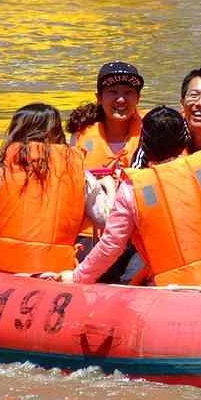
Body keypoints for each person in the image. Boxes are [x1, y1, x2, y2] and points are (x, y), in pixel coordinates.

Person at [60, 106, 201, 289]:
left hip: (170, 290)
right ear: (185, 141)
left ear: (143, 145)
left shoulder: (132, 188)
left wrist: (77, 277)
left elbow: (112, 245)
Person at [0, 103, 110, 273]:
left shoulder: (2, 171)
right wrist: (111, 189)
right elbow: (104, 219)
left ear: (16, 133)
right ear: (57, 132)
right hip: (55, 271)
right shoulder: (83, 175)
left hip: (3, 269)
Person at [67, 61, 147, 280]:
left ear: (138, 98)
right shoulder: (80, 135)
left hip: (138, 238)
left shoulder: (153, 132)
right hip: (90, 236)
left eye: (128, 93)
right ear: (99, 98)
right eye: (112, 92)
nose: (121, 100)